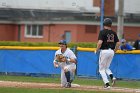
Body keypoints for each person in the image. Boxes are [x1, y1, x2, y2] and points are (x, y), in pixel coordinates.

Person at [95, 18, 120, 89]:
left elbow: (100, 42)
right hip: (111, 51)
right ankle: (113, 77)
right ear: (111, 24)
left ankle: (107, 84)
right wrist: (114, 51)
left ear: (104, 24)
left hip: (104, 51)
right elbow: (118, 43)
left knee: (101, 69)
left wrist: (96, 50)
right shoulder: (113, 32)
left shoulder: (102, 32)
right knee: (106, 68)